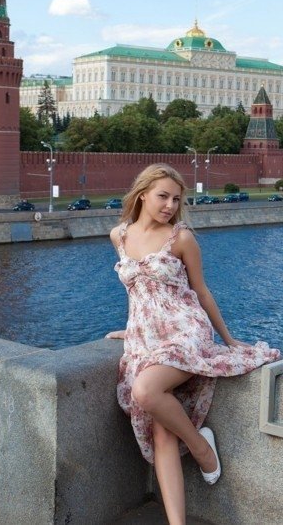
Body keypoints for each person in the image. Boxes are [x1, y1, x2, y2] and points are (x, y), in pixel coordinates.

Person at [105, 163, 280, 525]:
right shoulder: (118, 236)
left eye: (176, 199)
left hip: (185, 329)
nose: (170, 205)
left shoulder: (181, 238)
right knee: (161, 431)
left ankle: (201, 448)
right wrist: (132, 328)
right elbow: (137, 291)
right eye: (163, 196)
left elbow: (201, 291)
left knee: (145, 391)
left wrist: (227, 339)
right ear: (142, 195)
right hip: (146, 336)